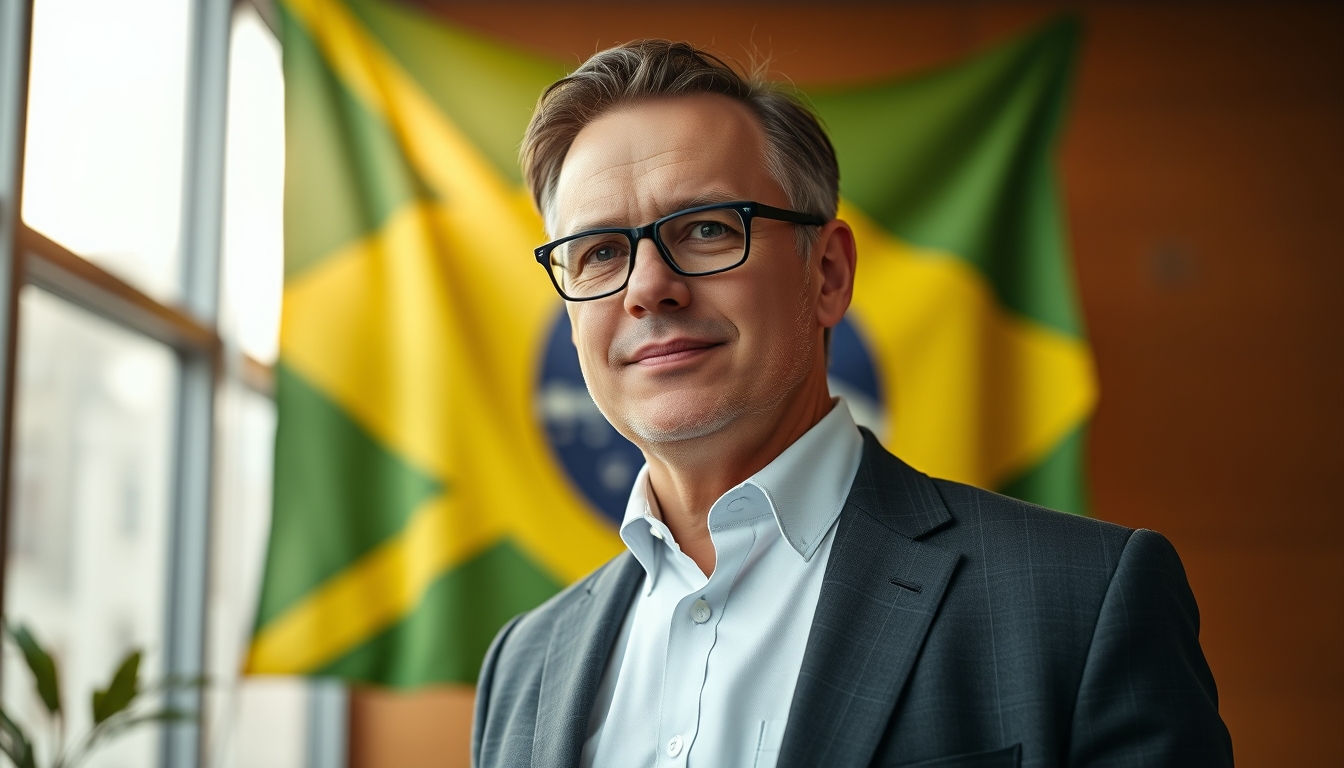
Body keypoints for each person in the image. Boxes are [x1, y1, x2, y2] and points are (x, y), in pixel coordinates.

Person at [472, 40, 1232, 768]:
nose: (646, 289)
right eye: (600, 251)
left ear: (828, 274)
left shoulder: (1084, 601)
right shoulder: (522, 667)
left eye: (705, 230)